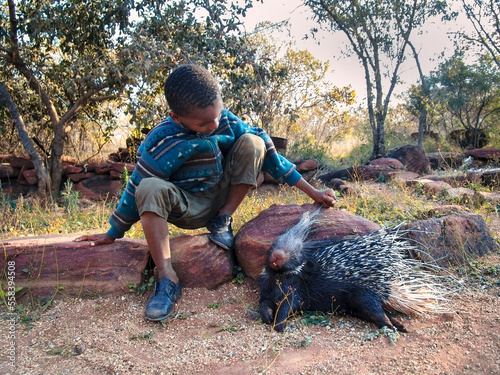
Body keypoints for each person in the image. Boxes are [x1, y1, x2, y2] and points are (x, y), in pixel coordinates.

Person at [75, 64, 336, 321]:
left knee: (254, 141)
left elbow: (271, 159)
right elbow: (135, 189)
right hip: (185, 206)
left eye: (217, 116)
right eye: (203, 123)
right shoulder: (162, 138)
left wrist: (313, 192)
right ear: (177, 117)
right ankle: (167, 278)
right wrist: (113, 232)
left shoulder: (225, 121)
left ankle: (223, 220)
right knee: (148, 186)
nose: (214, 125)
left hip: (220, 198)